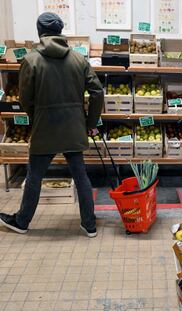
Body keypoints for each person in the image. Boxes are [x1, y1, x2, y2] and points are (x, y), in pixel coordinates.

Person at [0, 12, 104, 237]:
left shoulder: (31, 60)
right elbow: (97, 91)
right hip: (74, 126)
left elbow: (25, 98)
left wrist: (38, 115)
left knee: (35, 175)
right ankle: (89, 224)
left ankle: (22, 221)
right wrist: (89, 121)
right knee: (81, 175)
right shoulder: (78, 59)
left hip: (45, 127)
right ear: (60, 31)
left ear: (40, 32)